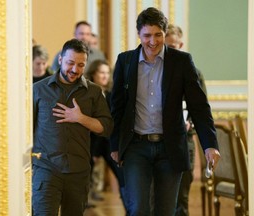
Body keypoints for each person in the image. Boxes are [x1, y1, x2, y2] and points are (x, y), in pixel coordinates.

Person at [110, 7, 221, 216]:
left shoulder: (182, 62)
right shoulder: (125, 62)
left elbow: (199, 107)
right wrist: (115, 144)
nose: (153, 41)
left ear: (164, 32)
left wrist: (210, 145)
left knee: (166, 211)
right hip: (136, 147)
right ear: (139, 35)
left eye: (158, 35)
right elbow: (117, 107)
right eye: (147, 36)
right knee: (138, 209)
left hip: (170, 148)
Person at [32, 38, 113, 216]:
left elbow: (106, 127)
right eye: (70, 63)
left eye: (81, 65)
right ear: (60, 59)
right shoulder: (38, 90)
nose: (75, 69)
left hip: (78, 173)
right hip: (46, 171)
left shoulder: (93, 92)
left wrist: (81, 118)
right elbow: (27, 131)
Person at [165, 24, 207, 216]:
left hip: (184, 139)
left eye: (173, 47)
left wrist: (189, 122)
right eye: (166, 47)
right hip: (160, 138)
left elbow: (199, 107)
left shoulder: (194, 72)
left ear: (180, 44)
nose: (169, 51)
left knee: (182, 196)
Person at [85, 59, 129, 213]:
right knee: (84, 179)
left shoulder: (112, 93)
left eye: (107, 73)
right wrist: (95, 152)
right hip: (90, 144)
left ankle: (130, 210)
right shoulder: (86, 93)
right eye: (101, 72)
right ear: (93, 74)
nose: (104, 76)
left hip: (111, 144)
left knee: (123, 177)